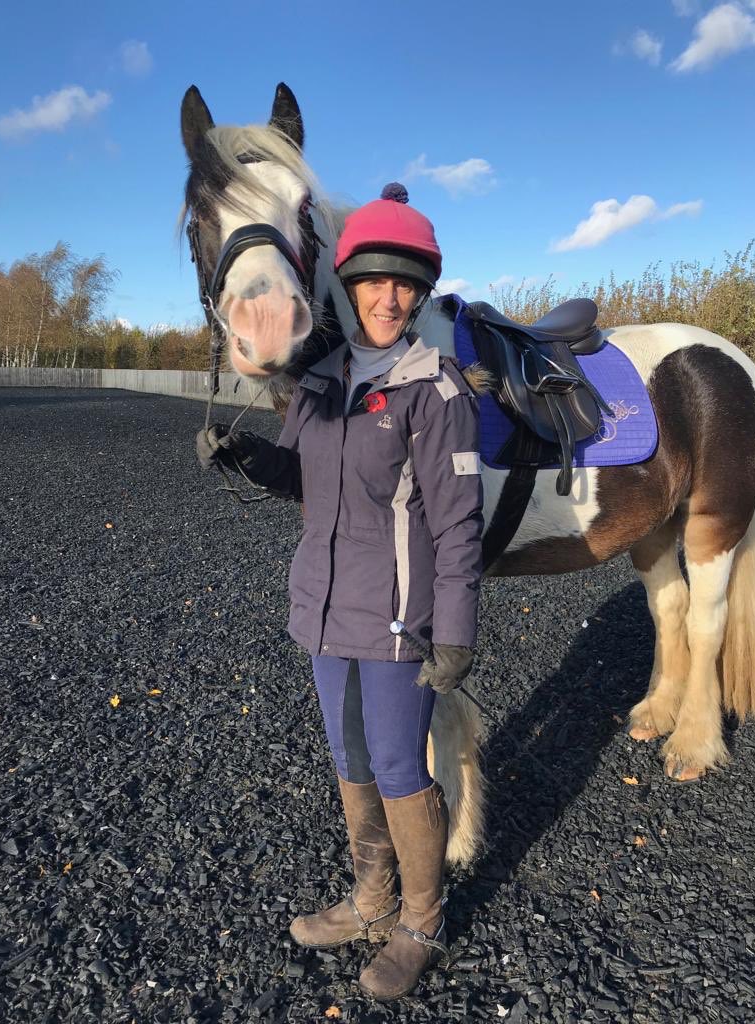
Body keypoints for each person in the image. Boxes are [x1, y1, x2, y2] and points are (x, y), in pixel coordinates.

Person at [197, 183, 484, 1001]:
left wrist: (455, 630)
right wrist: (246, 455)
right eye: (375, 281)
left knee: (397, 765)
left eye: (407, 285)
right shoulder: (321, 381)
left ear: (420, 294)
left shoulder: (437, 390)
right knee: (352, 759)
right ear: (350, 285)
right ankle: (370, 900)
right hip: (324, 611)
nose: (390, 298)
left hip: (398, 620)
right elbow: (304, 477)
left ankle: (421, 922)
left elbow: (458, 525)